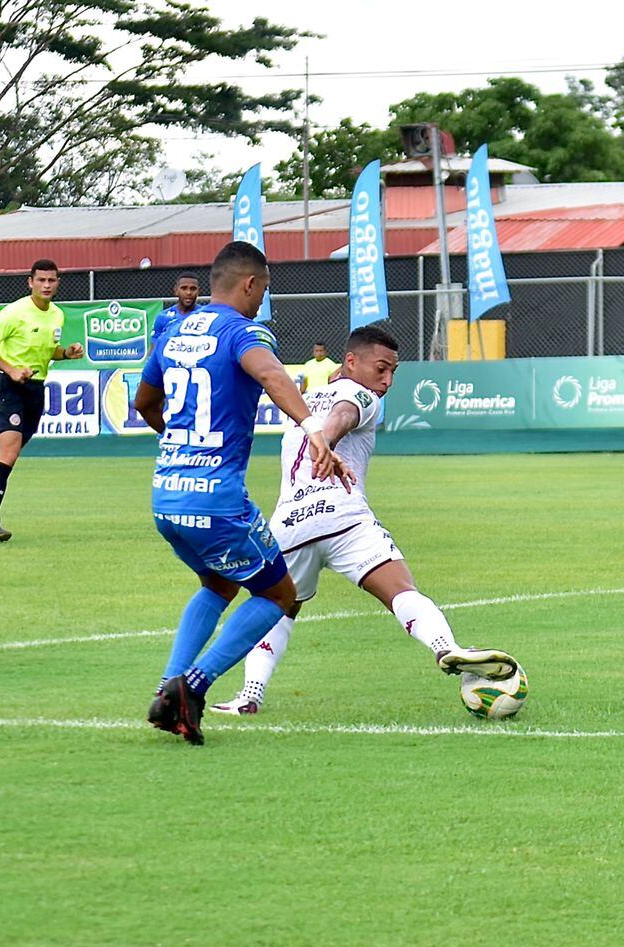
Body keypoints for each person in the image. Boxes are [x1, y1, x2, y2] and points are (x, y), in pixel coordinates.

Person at [212, 326, 519, 715]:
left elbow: (328, 415)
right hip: (343, 517)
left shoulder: (303, 401)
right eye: (381, 369)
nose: (387, 381)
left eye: (393, 372)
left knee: (278, 610)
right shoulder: (363, 396)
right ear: (352, 362)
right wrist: (327, 443)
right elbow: (342, 416)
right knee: (400, 589)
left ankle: (249, 695)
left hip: (289, 525)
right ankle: (446, 648)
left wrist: (321, 438)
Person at [136, 241, 351, 746]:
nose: (262, 300)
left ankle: (166, 687)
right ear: (250, 284)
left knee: (218, 584)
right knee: (280, 594)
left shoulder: (171, 331)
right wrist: (314, 431)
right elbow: (270, 373)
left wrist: (179, 443)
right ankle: (192, 686)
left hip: (167, 494)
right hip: (217, 501)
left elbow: (144, 402)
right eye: (264, 289)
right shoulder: (244, 331)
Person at [0, 259, 84, 543]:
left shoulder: (57, 315)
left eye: (51, 280)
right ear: (30, 282)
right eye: (41, 280)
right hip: (10, 388)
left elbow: (48, 350)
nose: (46, 285)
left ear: (58, 283)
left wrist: (65, 353)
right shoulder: (15, 312)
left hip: (36, 391)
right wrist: (11, 369)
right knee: (8, 455)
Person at [152, 271, 202, 340]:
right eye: (184, 288)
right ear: (176, 290)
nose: (188, 292)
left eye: (193, 289)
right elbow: (154, 345)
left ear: (198, 291)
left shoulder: (206, 315)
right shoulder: (163, 317)